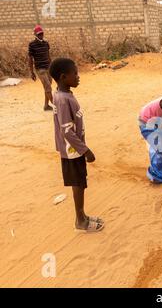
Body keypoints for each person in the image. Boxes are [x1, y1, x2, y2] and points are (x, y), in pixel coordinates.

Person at [49, 58, 104, 233]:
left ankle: (82, 215)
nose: (78, 77)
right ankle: (80, 221)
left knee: (80, 182)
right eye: (75, 73)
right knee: (78, 183)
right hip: (72, 151)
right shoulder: (64, 100)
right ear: (64, 77)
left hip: (73, 149)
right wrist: (85, 150)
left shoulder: (61, 95)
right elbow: (66, 131)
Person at [28, 25, 53, 111]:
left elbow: (48, 56)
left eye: (42, 34)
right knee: (48, 87)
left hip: (48, 68)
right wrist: (32, 72)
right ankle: (57, 106)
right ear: (35, 35)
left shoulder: (46, 43)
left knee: (47, 87)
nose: (41, 35)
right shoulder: (32, 45)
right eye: (39, 34)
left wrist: (52, 67)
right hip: (40, 69)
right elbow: (30, 59)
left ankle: (46, 106)